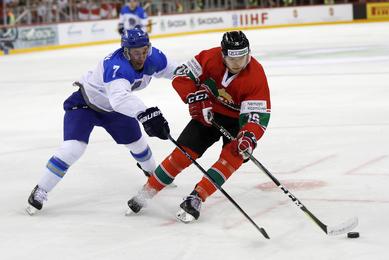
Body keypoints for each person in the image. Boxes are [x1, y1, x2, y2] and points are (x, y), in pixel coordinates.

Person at [126, 31, 271, 223]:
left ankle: (197, 197)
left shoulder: (256, 76)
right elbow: (181, 76)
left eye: (242, 58)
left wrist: (248, 136)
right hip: (207, 111)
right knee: (182, 154)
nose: (238, 64)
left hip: (238, 121)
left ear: (249, 53)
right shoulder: (209, 57)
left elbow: (256, 115)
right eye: (232, 59)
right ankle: (149, 190)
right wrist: (194, 98)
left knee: (233, 156)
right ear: (222, 54)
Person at [26, 28, 175, 215]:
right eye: (136, 52)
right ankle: (41, 189)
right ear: (126, 51)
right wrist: (144, 113)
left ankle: (153, 174)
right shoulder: (117, 66)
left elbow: (175, 71)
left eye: (145, 50)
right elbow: (119, 99)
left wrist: (195, 78)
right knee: (73, 148)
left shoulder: (154, 57)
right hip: (85, 104)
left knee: (138, 144)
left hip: (114, 109)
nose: (141, 56)